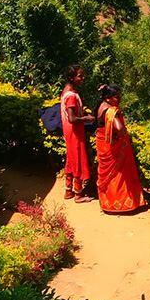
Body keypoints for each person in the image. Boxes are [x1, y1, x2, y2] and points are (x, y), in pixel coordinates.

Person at [94, 85, 145, 215]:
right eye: (116, 96)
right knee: (119, 175)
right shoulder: (110, 111)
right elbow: (120, 128)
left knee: (109, 175)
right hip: (113, 148)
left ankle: (108, 204)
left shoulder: (101, 105)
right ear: (108, 98)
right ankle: (122, 204)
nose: (120, 99)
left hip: (103, 144)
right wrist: (122, 137)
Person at [60, 69, 94, 202]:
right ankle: (78, 194)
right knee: (78, 159)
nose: (82, 78)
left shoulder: (66, 92)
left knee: (71, 158)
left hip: (69, 132)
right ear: (71, 77)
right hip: (74, 131)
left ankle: (68, 190)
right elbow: (72, 119)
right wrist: (87, 118)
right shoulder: (71, 96)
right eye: (80, 76)